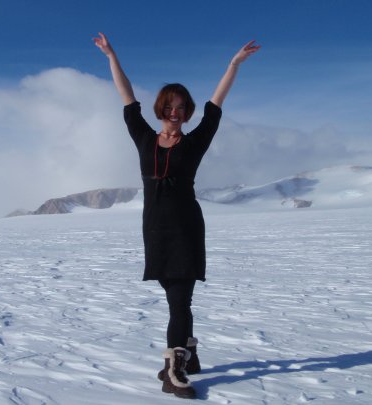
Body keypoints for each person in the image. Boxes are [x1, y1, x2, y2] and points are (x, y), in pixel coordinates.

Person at [94, 32, 259, 399]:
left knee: (179, 300)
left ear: (187, 112)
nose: (175, 111)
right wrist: (111, 55)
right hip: (154, 228)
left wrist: (233, 65)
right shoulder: (143, 138)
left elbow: (216, 104)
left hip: (186, 226)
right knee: (175, 295)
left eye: (182, 106)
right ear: (162, 108)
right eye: (170, 105)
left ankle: (175, 370)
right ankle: (192, 351)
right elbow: (126, 96)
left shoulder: (196, 141)